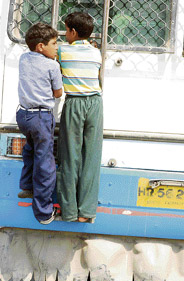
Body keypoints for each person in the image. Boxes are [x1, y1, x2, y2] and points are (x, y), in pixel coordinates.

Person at [57, 12, 103, 223]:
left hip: (75, 102)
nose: (65, 34)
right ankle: (86, 212)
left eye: (66, 30)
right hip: (95, 103)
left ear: (73, 32)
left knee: (70, 157)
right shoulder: (96, 53)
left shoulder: (62, 50)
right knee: (91, 158)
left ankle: (68, 211)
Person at [17, 22, 63, 224]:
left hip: (23, 116)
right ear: (40, 47)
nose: (57, 48)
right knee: (45, 163)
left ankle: (26, 186)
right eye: (53, 43)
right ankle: (44, 213)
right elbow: (58, 92)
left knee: (30, 149)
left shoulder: (23, 58)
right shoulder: (52, 65)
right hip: (40, 117)